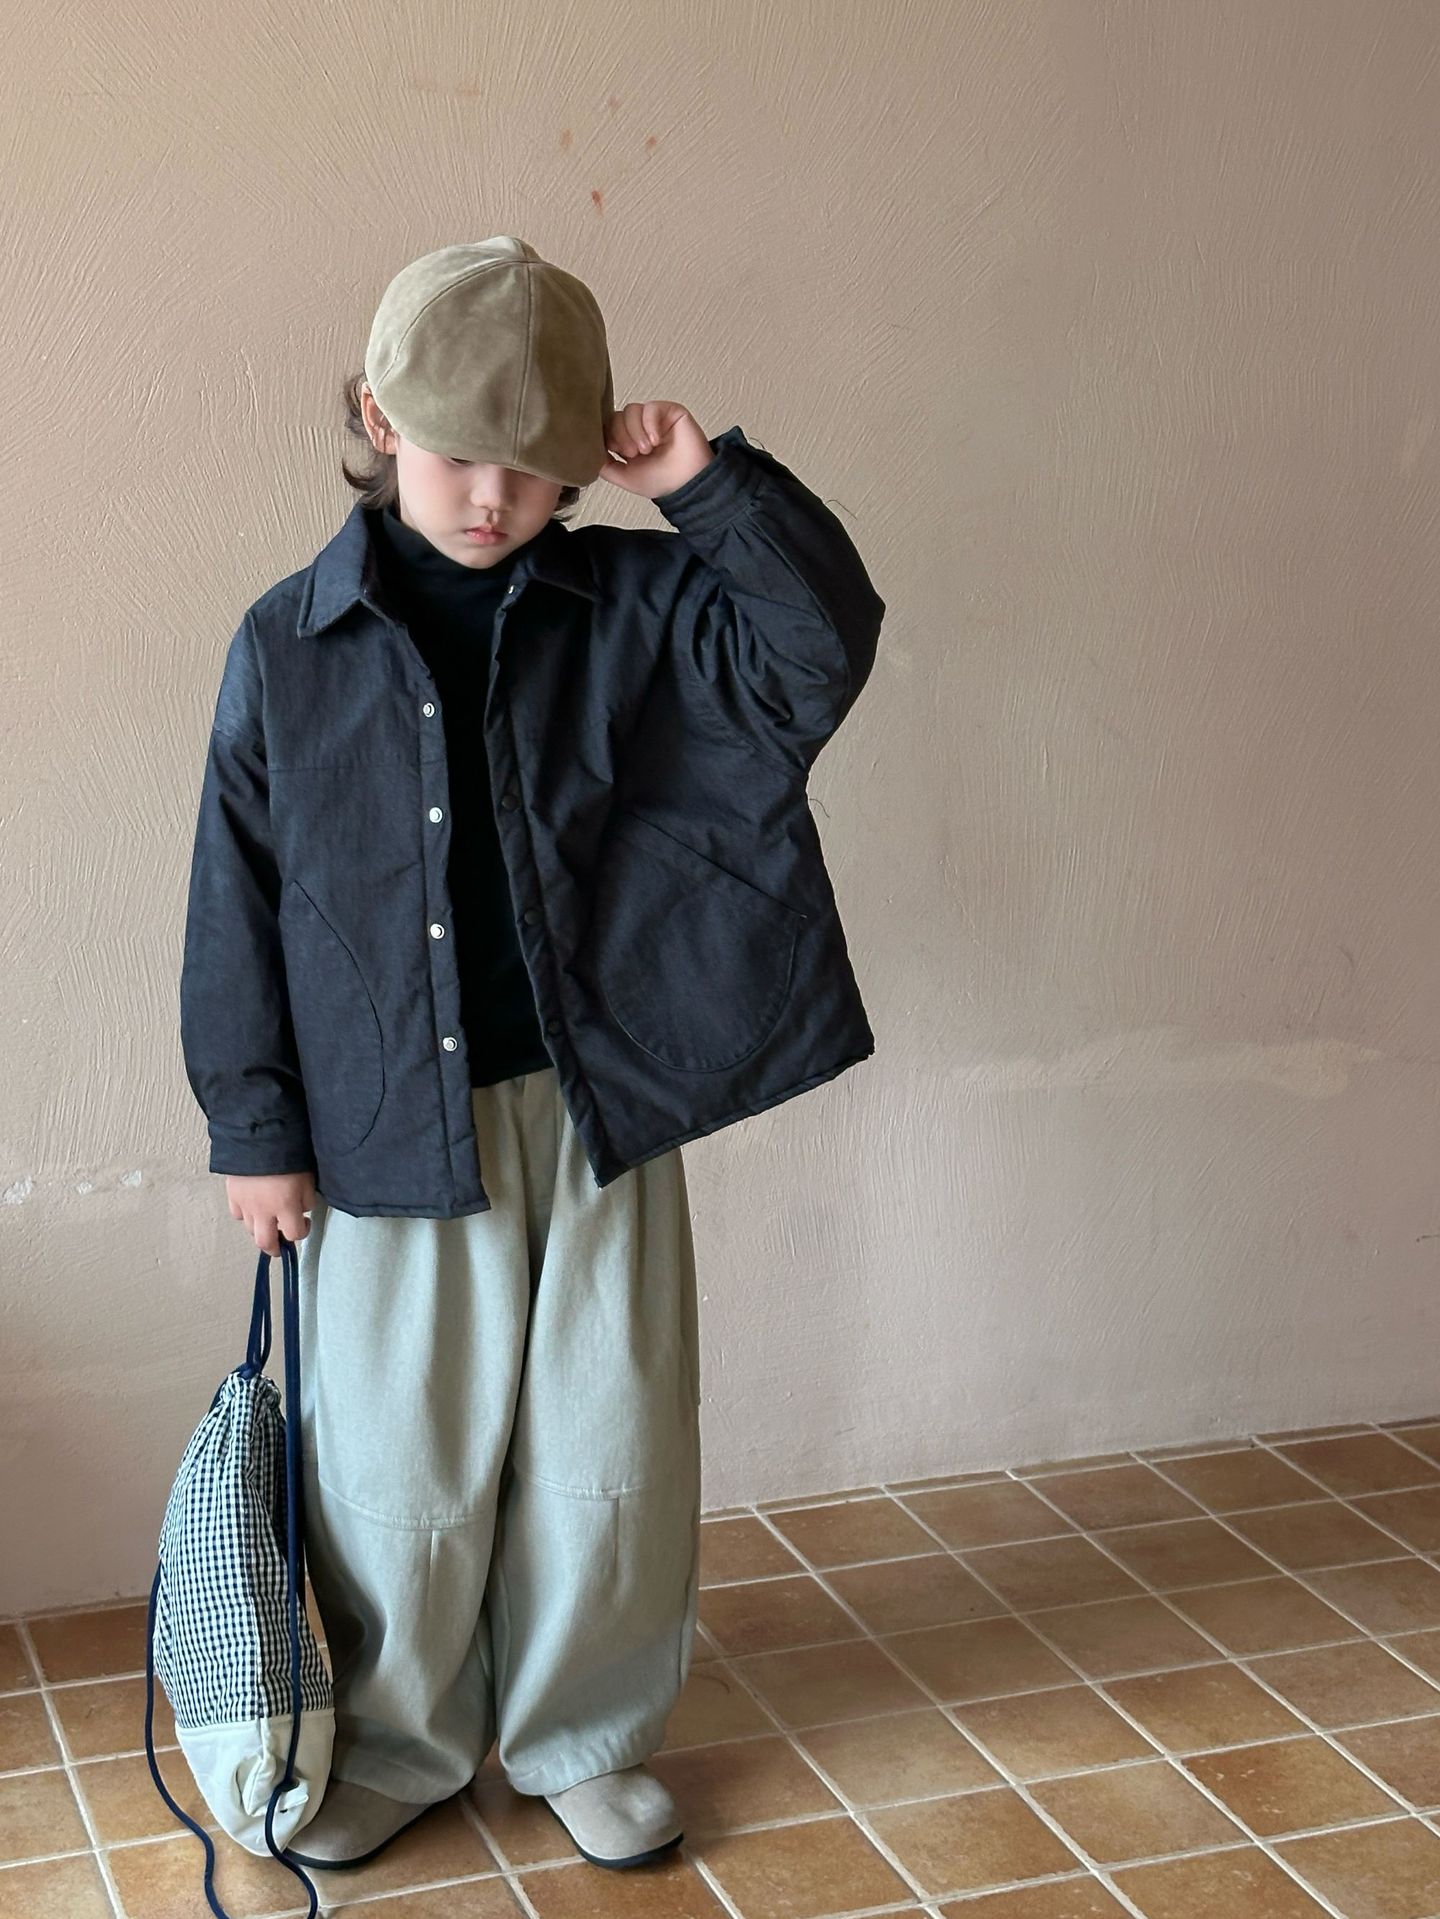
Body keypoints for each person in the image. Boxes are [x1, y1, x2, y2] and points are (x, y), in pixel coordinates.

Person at [179, 236, 885, 1874]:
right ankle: (404, 1741)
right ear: (379, 420)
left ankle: (587, 1734)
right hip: (382, 1128)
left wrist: (703, 485)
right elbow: (236, 895)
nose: (492, 495)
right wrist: (253, 1128)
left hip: (599, 1101)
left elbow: (818, 647)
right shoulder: (287, 645)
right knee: (395, 1467)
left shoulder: (635, 605)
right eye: (456, 453)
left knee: (608, 1444)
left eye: (531, 461)